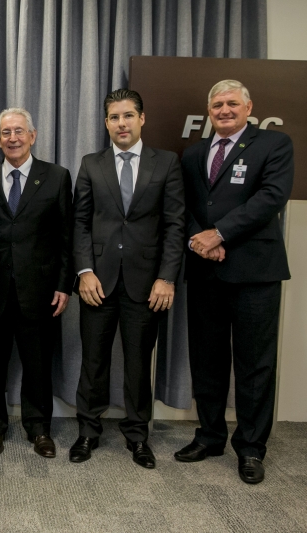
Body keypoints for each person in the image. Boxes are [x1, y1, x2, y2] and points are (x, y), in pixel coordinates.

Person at [177, 80, 293, 484]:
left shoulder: (274, 144)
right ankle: (209, 436)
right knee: (207, 360)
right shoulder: (193, 154)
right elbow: (186, 206)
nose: (224, 111)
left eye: (231, 104)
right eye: (217, 106)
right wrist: (199, 238)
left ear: (248, 107)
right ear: (208, 111)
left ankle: (250, 448)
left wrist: (219, 234)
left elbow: (271, 198)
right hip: (206, 269)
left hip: (255, 272)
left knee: (254, 364)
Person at [70, 89, 185, 469]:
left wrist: (167, 277)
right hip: (97, 283)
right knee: (94, 362)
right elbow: (80, 224)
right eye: (114, 117)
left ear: (142, 119)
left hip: (146, 284)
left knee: (138, 364)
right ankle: (88, 432)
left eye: (128, 116)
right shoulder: (91, 163)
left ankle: (137, 437)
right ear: (106, 123)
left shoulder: (166, 163)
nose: (122, 123)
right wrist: (84, 271)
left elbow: (174, 225)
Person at [0, 108, 73, 458]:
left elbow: (66, 236)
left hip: (40, 290)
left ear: (33, 135)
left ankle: (39, 429)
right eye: (5, 133)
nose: (12, 138)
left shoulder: (57, 177)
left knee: (38, 364)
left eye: (18, 131)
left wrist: (65, 285)